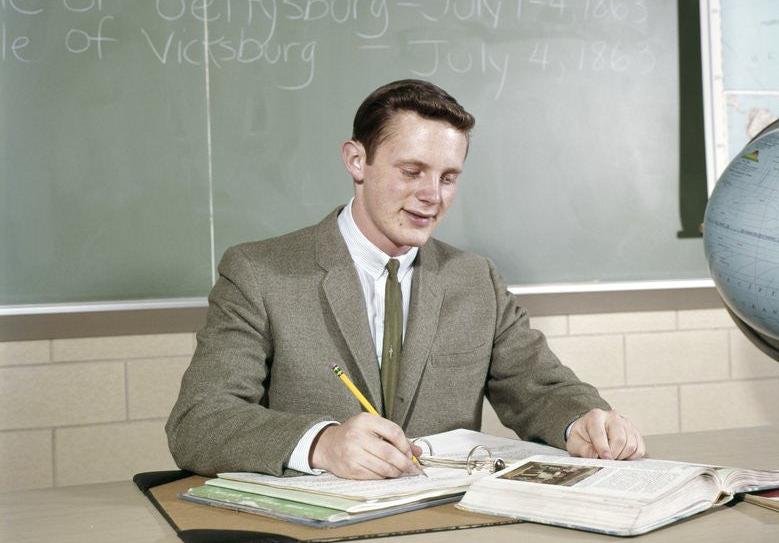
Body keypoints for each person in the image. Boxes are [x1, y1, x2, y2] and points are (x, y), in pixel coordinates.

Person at [166, 79, 645, 479]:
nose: (430, 196)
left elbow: (541, 388)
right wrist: (322, 444)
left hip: (445, 534)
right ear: (357, 161)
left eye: (448, 177)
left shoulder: (476, 279)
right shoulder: (260, 272)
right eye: (411, 171)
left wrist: (584, 421)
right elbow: (198, 421)